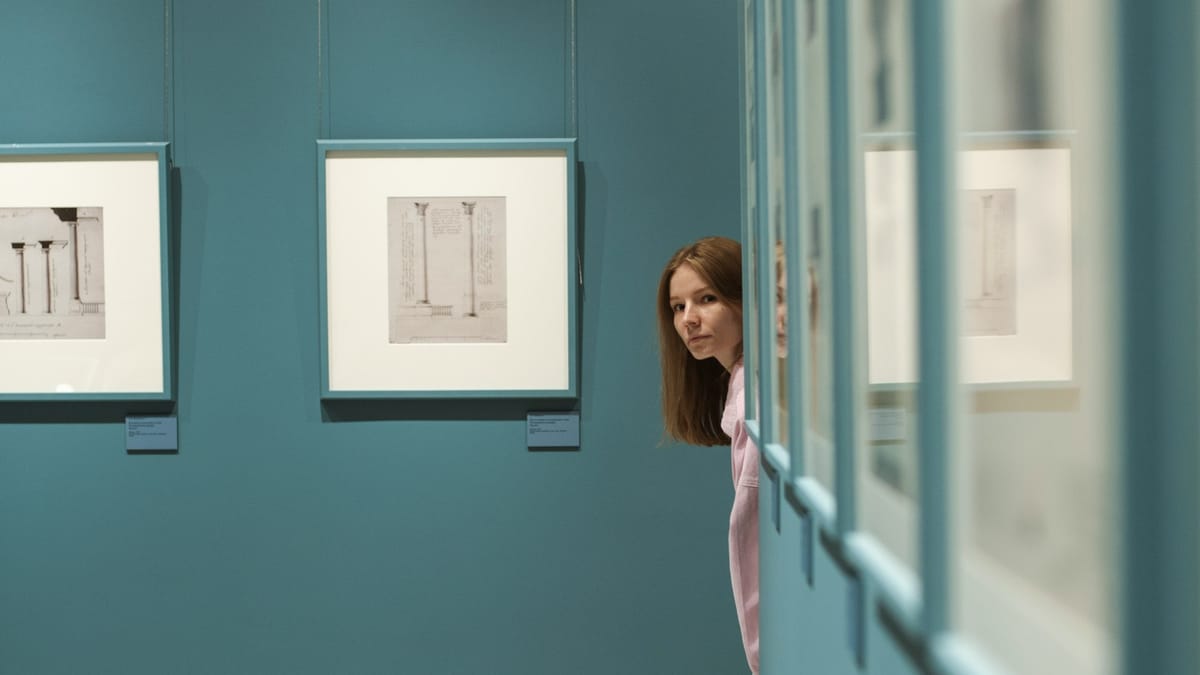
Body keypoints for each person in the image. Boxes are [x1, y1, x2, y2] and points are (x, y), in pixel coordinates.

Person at [656, 236, 759, 674]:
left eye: (707, 299)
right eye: (678, 307)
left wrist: (760, 658)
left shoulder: (754, 393)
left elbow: (749, 537)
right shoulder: (743, 386)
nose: (689, 320)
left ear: (744, 296)